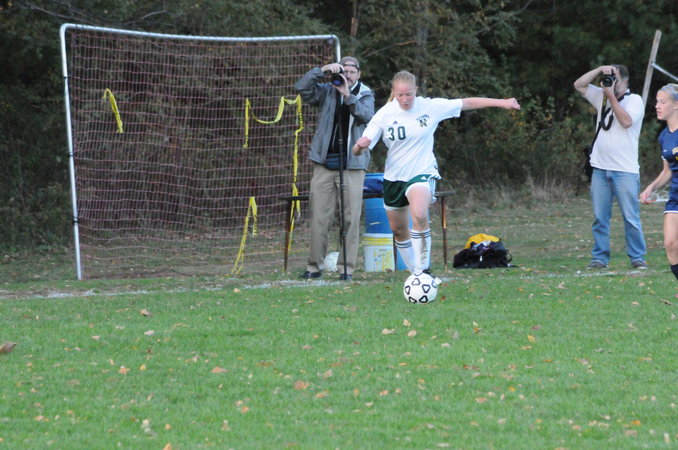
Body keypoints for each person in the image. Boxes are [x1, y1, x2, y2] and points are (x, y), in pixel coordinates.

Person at [352, 70, 520, 278]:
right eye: (400, 95)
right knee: (399, 231)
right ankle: (415, 273)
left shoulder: (430, 107)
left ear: (416, 90)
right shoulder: (384, 114)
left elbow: (466, 103)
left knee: (419, 213)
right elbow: (358, 150)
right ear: (393, 92)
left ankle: (423, 270)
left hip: (422, 172)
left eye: (409, 94)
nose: (405, 99)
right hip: (394, 178)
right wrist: (359, 146)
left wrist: (502, 102)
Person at [295, 56, 375, 281]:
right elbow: (301, 87)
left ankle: (346, 268)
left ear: (358, 74)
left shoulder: (365, 94)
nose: (347, 75)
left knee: (350, 218)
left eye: (352, 72)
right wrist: (321, 71)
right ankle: (314, 267)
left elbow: (366, 116)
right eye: (344, 71)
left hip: (352, 166)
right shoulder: (327, 90)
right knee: (320, 217)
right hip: (324, 164)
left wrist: (348, 96)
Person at [574, 65, 648, 269]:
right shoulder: (602, 96)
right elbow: (578, 85)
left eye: (615, 80)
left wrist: (611, 97)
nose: (612, 84)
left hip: (625, 170)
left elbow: (626, 121)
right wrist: (600, 70)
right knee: (600, 218)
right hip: (600, 168)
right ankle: (600, 258)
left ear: (624, 81)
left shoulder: (635, 100)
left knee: (630, 217)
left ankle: (637, 257)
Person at [640, 84, 678, 279]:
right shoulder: (664, 137)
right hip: (675, 196)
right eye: (657, 102)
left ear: (676, 104)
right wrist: (651, 187)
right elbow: (667, 170)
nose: (657, 106)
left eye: (662, 102)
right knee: (670, 244)